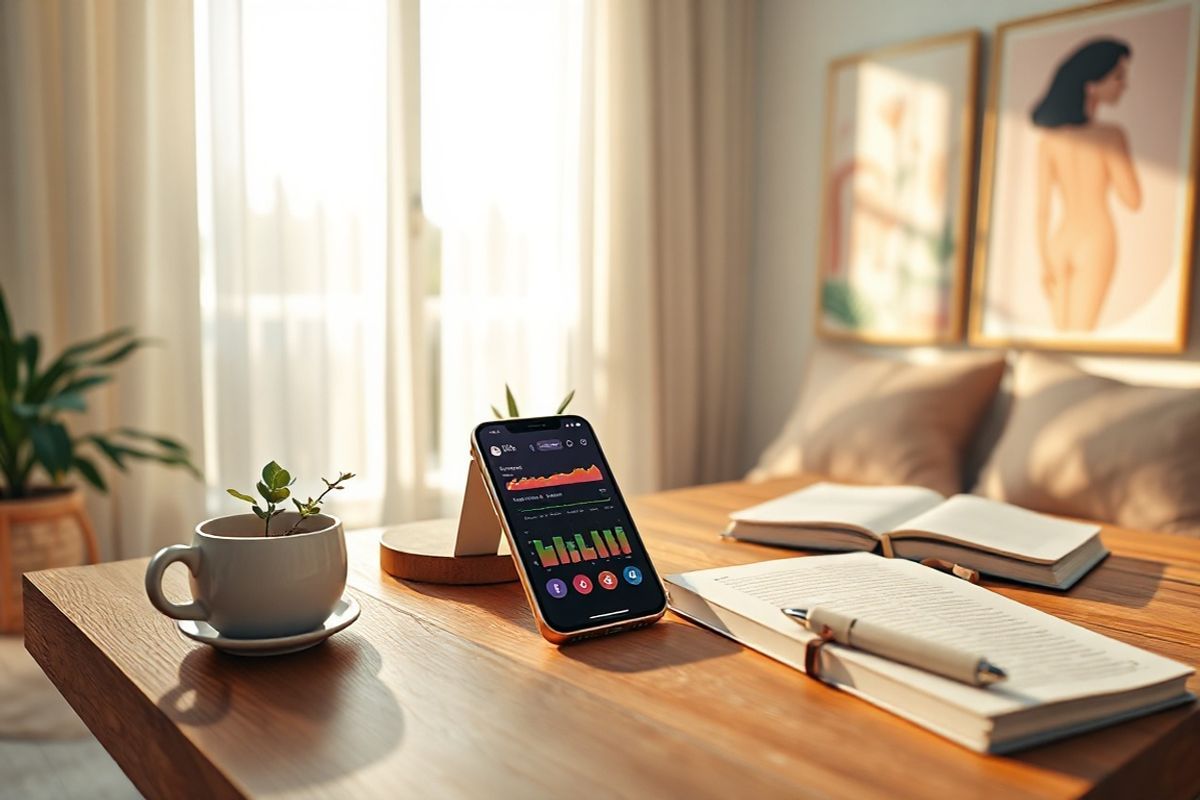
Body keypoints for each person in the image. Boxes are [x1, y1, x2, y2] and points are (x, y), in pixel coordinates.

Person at [1031, 38, 1141, 331]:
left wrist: (1044, 260)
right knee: (1080, 337)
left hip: (1059, 240)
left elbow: (1042, 212)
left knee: (1062, 339)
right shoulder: (1110, 137)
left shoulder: (1050, 142)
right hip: (1096, 238)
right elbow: (1132, 198)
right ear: (1092, 84)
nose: (1124, 85)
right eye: (1118, 76)